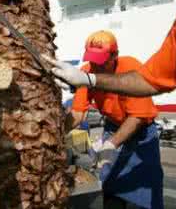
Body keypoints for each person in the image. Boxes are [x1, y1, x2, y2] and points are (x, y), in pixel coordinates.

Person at [64, 31, 163, 209]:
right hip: (112, 127)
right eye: (93, 60)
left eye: (101, 61)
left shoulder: (131, 68)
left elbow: (137, 117)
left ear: (115, 55)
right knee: (110, 183)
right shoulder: (86, 72)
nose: (96, 66)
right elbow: (78, 113)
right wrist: (57, 134)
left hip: (142, 134)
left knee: (147, 184)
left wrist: (110, 144)